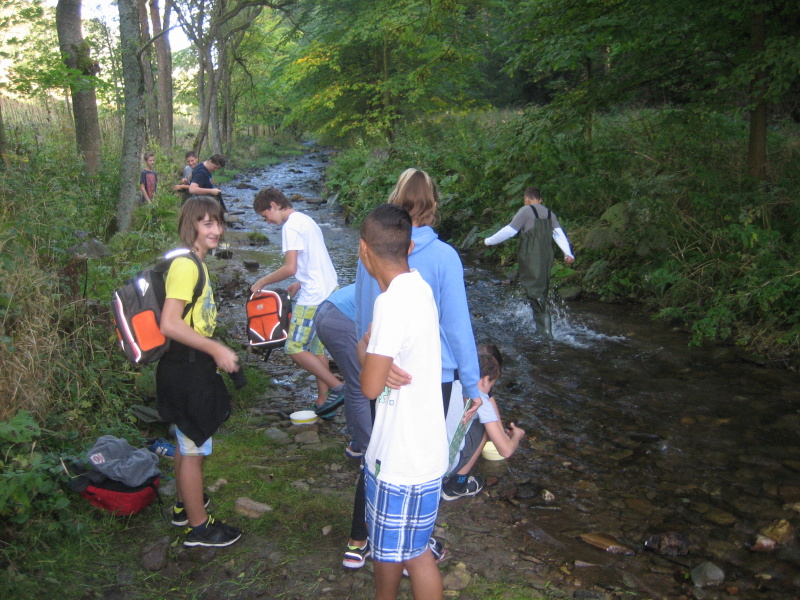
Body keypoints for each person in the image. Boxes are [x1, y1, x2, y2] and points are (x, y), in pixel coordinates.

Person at [349, 167, 479, 569]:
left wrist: (368, 357)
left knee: (379, 451)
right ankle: (416, 544)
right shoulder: (445, 257)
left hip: (384, 369)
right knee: (420, 459)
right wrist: (473, 385)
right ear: (433, 204)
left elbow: (364, 316)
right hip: (432, 378)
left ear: (396, 198)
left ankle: (360, 539)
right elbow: (457, 327)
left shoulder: (373, 247)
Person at [358, 203, 447, 600]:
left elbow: (369, 386)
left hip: (401, 460)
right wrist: (376, 355)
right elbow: (381, 365)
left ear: (363, 250)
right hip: (424, 451)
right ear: (410, 248)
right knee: (395, 548)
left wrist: (368, 352)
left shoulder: (391, 303)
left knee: (414, 554)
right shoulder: (419, 287)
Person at [156, 195, 242, 547]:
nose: (216, 229)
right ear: (190, 225)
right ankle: (199, 529)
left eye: (218, 222)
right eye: (207, 223)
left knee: (185, 439)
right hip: (187, 369)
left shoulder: (196, 263)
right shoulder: (186, 266)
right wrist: (215, 348)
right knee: (193, 449)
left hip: (186, 365)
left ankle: (183, 507)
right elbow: (169, 323)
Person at [250, 187, 345, 417]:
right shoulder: (306, 219)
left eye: (265, 215)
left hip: (314, 297)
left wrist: (262, 281)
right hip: (329, 289)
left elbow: (290, 267)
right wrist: (299, 282)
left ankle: (338, 387)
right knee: (317, 349)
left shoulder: (290, 226)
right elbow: (314, 260)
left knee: (293, 347)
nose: (267, 221)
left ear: (274, 205)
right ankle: (323, 402)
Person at [484, 186, 575, 339]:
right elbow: (559, 234)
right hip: (546, 259)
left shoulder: (526, 211)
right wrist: (568, 253)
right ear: (540, 199)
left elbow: (509, 231)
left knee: (535, 294)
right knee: (540, 292)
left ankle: (545, 336)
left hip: (531, 258)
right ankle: (543, 330)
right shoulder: (550, 213)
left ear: (526, 198)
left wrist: (488, 241)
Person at [441, 344, 525, 501]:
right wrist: (517, 436)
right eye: (491, 385)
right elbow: (506, 451)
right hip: (441, 468)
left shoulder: (447, 381)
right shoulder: (481, 401)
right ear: (486, 379)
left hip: (421, 459)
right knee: (484, 425)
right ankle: (457, 485)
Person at [314, 284, 371, 458]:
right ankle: (368, 452)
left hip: (329, 310)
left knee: (355, 384)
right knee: (362, 386)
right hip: (343, 318)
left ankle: (357, 442)